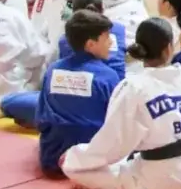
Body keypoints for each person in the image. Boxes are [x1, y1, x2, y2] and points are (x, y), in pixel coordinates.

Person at [61, 18, 181, 189]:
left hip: (156, 184)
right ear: (169, 48)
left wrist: (75, 157)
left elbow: (112, 145)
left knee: (76, 167)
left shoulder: (133, 86)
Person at [13, 9, 121, 177]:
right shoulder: (109, 76)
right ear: (91, 44)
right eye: (106, 38)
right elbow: (116, 124)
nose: (110, 43)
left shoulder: (53, 69)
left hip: (52, 157)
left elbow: (41, 117)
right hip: (93, 162)